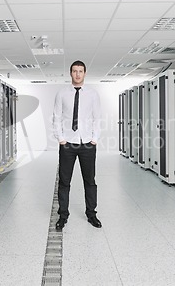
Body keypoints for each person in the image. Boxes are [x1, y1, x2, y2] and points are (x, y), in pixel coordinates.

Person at [52, 60, 101, 231]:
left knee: (90, 181)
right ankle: (63, 215)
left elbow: (97, 118)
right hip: (68, 144)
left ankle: (91, 214)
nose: (78, 74)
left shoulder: (93, 94)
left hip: (87, 143)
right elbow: (56, 117)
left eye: (81, 71)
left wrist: (94, 138)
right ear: (70, 73)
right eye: (75, 71)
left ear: (85, 73)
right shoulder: (62, 93)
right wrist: (61, 139)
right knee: (64, 181)